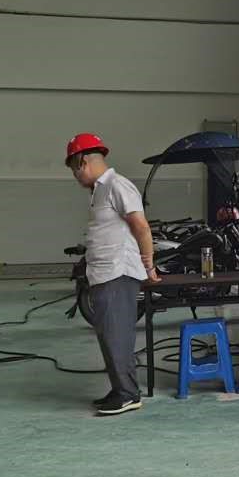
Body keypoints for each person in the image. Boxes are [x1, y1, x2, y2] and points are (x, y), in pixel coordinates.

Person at [66, 133, 159, 417]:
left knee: (117, 336)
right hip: (103, 273)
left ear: (82, 162)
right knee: (108, 335)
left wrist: (149, 265)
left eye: (73, 169)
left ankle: (129, 394)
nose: (74, 176)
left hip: (118, 272)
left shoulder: (118, 185)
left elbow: (141, 227)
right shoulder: (100, 190)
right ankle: (120, 389)